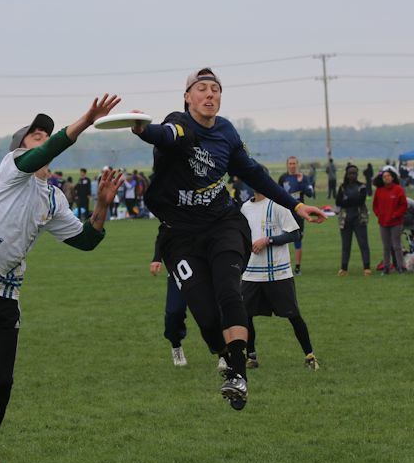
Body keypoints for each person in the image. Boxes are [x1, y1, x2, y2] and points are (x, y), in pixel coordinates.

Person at [0, 96, 124, 463]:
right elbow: (46, 150)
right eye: (34, 134)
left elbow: (87, 240)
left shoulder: (53, 199)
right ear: (20, 147)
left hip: (3, 298)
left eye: (45, 133)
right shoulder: (12, 168)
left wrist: (103, 206)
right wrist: (86, 120)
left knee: (1, 380)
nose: (42, 137)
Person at [131, 69, 327, 411]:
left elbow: (254, 173)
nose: (210, 94)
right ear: (187, 97)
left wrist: (296, 205)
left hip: (224, 224)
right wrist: (140, 128)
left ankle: (238, 375)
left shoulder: (226, 132)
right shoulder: (179, 124)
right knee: (206, 316)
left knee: (228, 291)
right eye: (202, 89)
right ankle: (225, 355)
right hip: (180, 235)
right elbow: (164, 135)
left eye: (216, 89)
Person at [240, 185, 318, 370]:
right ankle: (251, 356)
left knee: (293, 315)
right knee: (245, 315)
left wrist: (268, 240)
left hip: (278, 271)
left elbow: (295, 233)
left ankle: (309, 356)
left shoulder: (277, 204)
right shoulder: (245, 208)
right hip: (252, 272)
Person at [150, 252, 189, 366]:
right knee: (174, 312)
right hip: (178, 268)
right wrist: (157, 258)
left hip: (202, 266)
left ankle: (223, 354)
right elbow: (161, 239)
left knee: (211, 314)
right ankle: (176, 346)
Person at [278, 156, 315, 275]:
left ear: (297, 164)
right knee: (282, 239)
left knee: (298, 240)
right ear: (287, 165)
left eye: (294, 163)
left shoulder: (303, 178)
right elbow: (277, 194)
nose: (292, 165)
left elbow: (310, 193)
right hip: (284, 213)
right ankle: (282, 266)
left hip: (298, 214)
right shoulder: (283, 178)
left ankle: (297, 268)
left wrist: (300, 183)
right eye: (290, 163)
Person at [335, 164, 371, 276]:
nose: (352, 175)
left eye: (354, 173)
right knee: (346, 245)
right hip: (345, 220)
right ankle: (344, 268)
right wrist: (351, 200)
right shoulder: (342, 187)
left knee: (363, 244)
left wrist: (347, 199)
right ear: (346, 174)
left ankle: (367, 267)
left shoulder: (362, 186)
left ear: (357, 174)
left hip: (359, 219)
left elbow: (361, 200)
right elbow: (338, 202)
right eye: (350, 173)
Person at [372, 166, 407, 274]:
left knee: (397, 246)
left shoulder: (398, 189)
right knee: (386, 246)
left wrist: (396, 215)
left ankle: (401, 266)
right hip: (383, 222)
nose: (386, 178)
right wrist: (379, 215)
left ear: (392, 177)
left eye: (388, 176)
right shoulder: (379, 190)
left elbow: (403, 205)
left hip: (396, 222)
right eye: (384, 176)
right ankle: (386, 267)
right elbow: (375, 205)